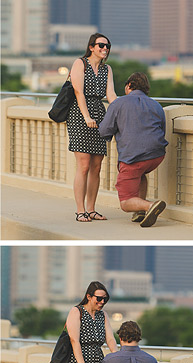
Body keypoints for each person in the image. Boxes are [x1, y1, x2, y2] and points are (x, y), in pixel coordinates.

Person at [98, 72, 168, 227]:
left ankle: (149, 206)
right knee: (141, 173)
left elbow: (104, 131)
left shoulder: (118, 103)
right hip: (157, 155)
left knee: (125, 202)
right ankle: (140, 212)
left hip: (134, 156)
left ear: (129, 86)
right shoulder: (156, 105)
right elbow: (162, 130)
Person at [68, 33, 117, 223]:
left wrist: (123, 108)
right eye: (101, 45)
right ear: (91, 47)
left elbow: (111, 95)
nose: (105, 49)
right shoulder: (80, 63)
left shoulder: (107, 69)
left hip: (100, 113)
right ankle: (80, 210)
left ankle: (91, 209)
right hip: (80, 114)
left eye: (107, 46)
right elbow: (78, 91)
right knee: (84, 165)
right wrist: (86, 116)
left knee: (96, 167)